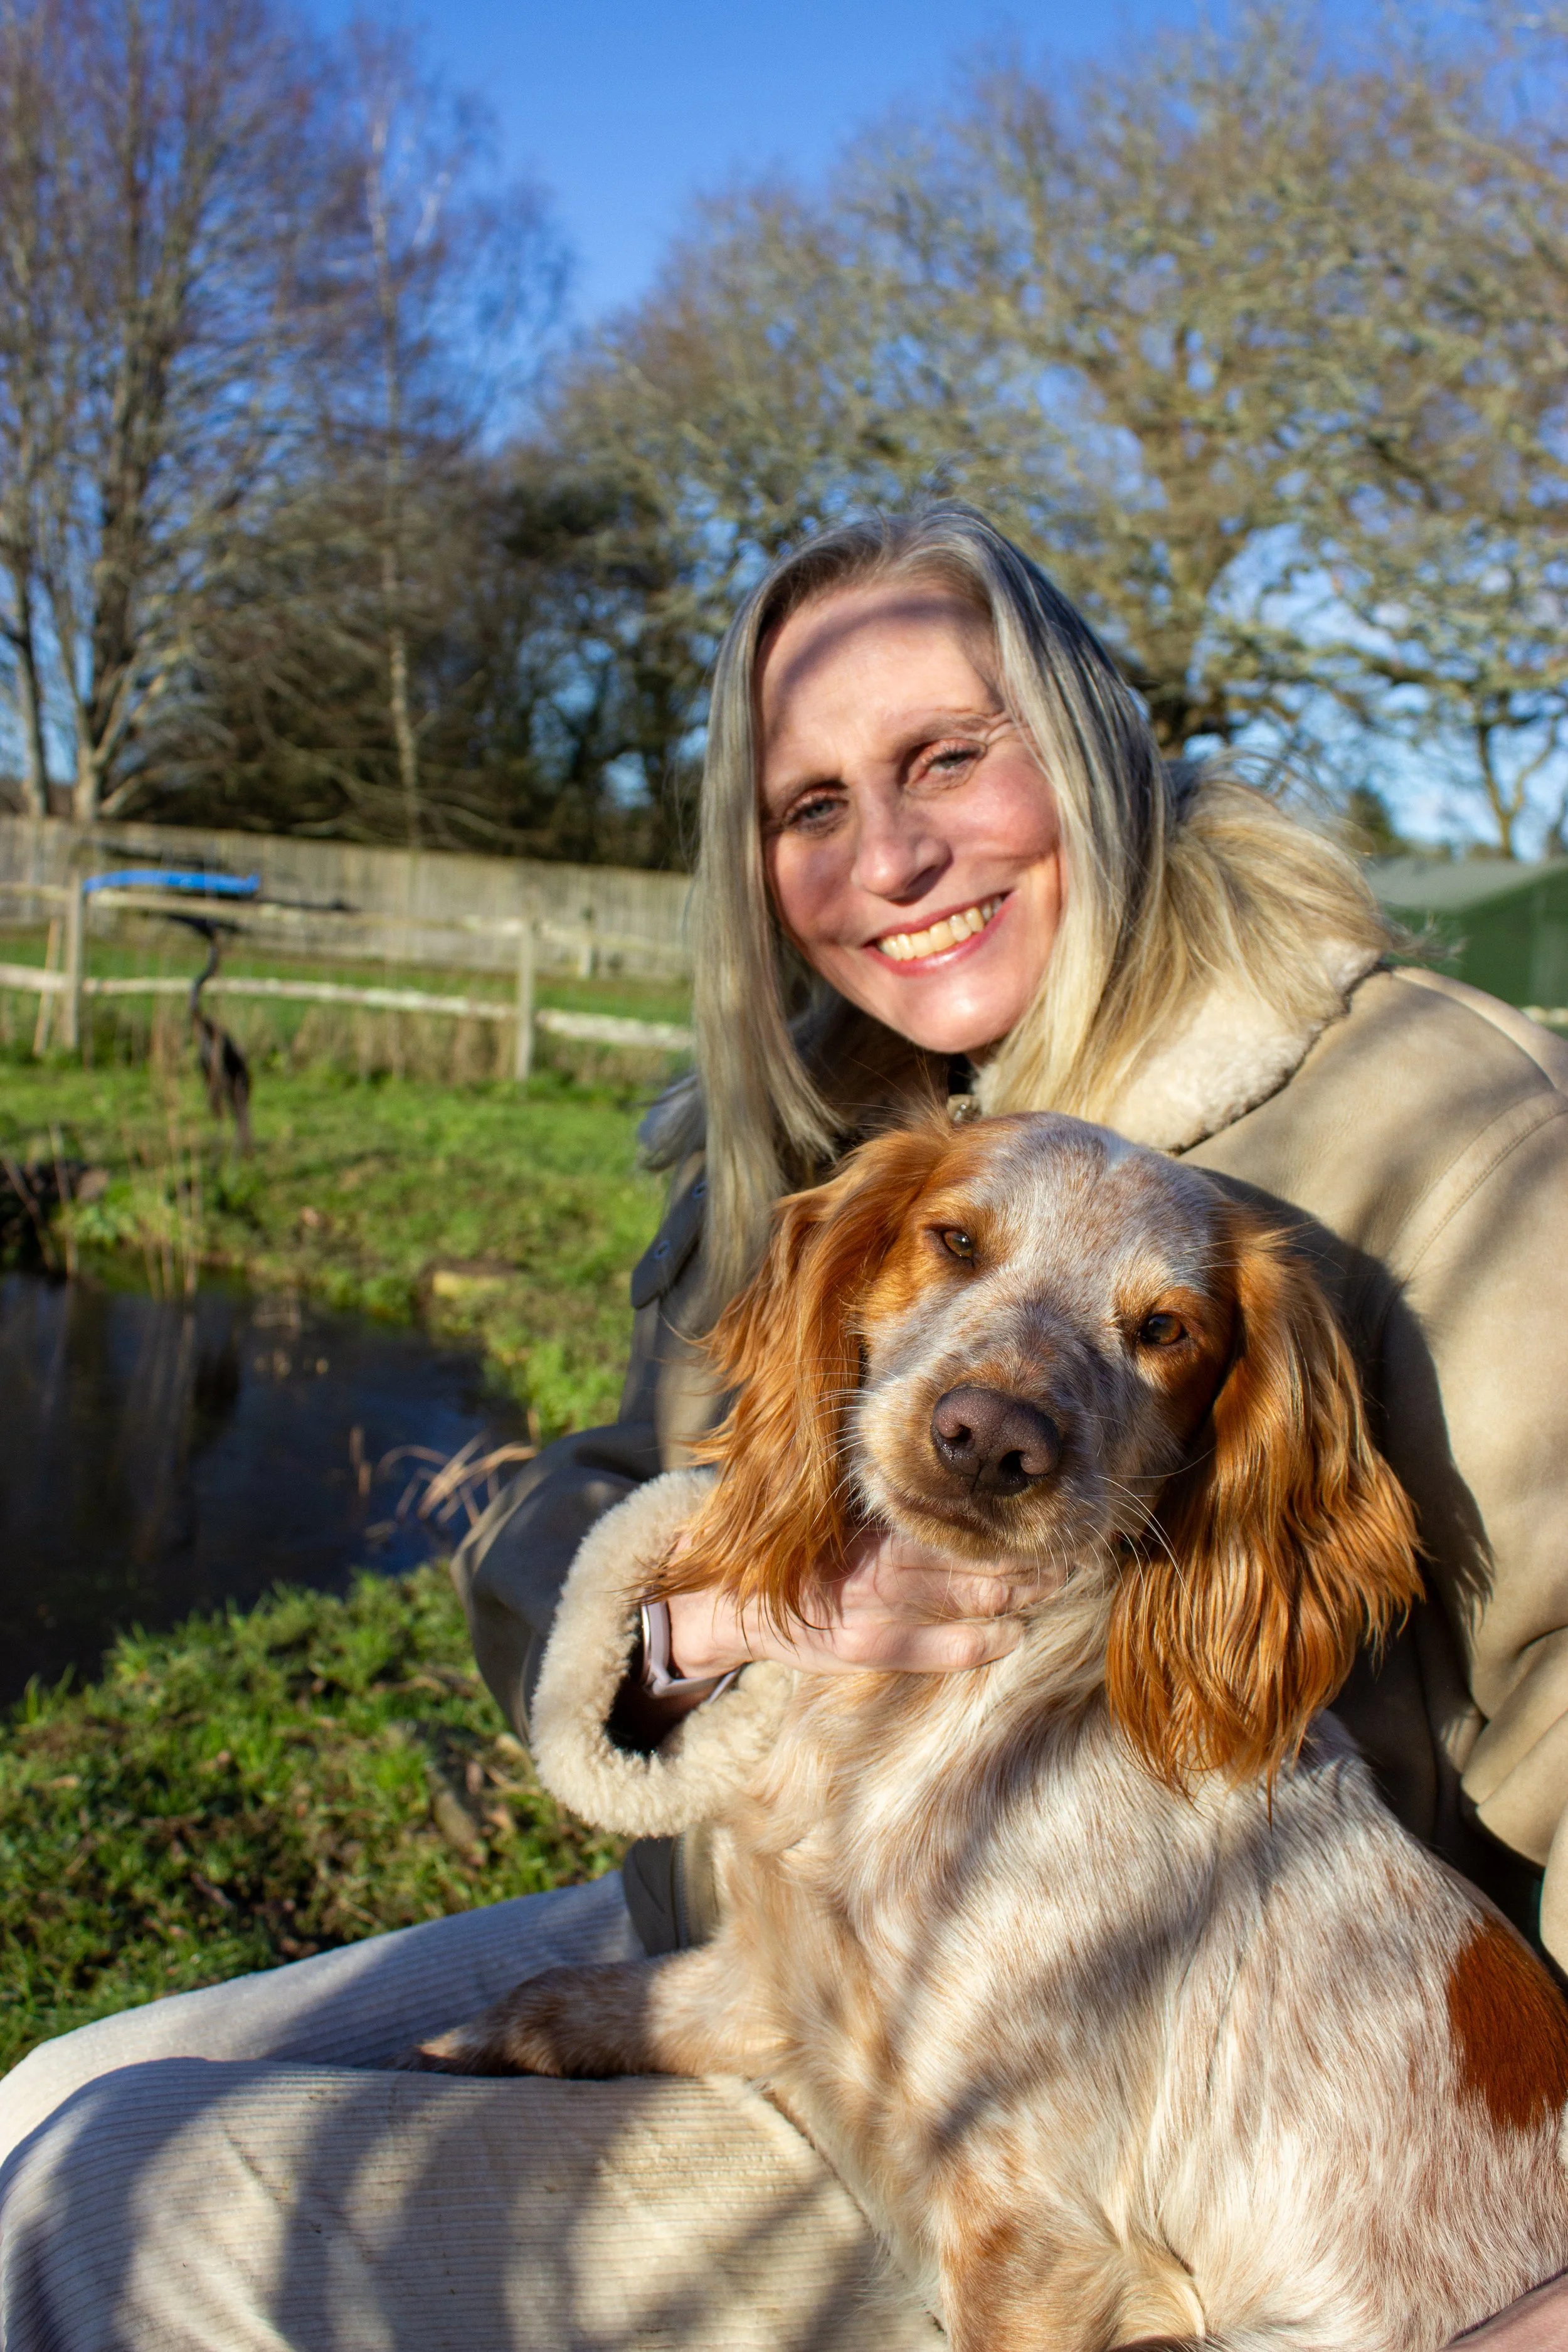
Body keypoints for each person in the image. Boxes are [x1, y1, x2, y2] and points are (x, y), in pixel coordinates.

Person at [4, 506, 1567, 2351]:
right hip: (743, 1918)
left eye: (946, 760)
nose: (890, 854)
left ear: (1084, 750)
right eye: (809, 805)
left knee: (105, 2208)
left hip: (1102, 2068)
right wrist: (720, 1613)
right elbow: (578, 1505)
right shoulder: (828, 1114)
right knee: (45, 2092)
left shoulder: (1447, 1128)